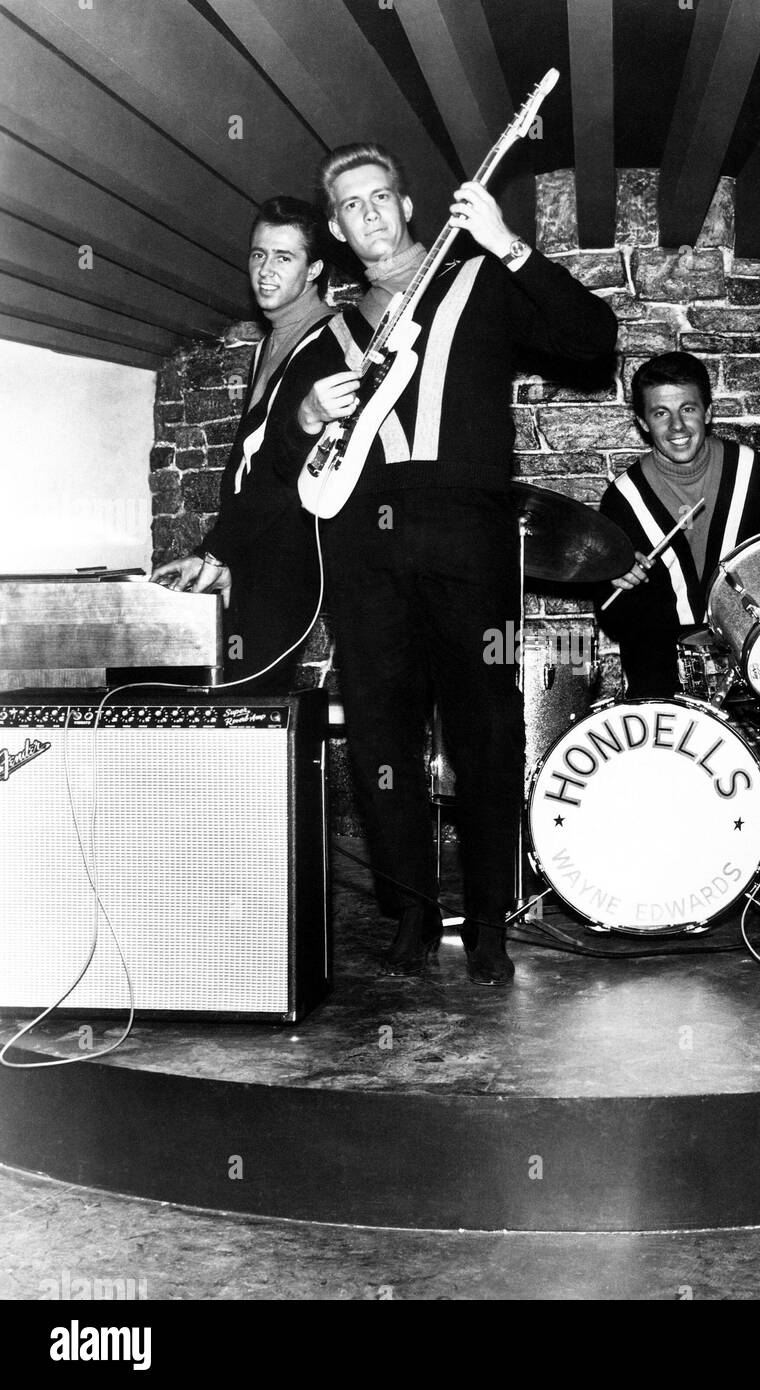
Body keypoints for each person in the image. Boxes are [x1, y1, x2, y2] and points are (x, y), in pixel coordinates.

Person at [265, 143, 617, 984]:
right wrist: (309, 412)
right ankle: (410, 913)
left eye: (379, 196)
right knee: (379, 732)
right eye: (350, 207)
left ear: (408, 204)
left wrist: (509, 245)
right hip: (364, 551)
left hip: (470, 538)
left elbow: (592, 343)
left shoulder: (481, 281)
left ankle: (488, 921)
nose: (369, 214)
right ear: (341, 234)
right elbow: (283, 465)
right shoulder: (328, 331)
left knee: (487, 729)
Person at [152, 197, 332, 689]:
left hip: (291, 557)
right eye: (258, 255)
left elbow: (283, 469)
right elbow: (246, 462)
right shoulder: (267, 342)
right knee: (236, 705)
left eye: (284, 257)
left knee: (254, 707)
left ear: (314, 268)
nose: (265, 271)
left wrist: (215, 554)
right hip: (251, 552)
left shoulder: (327, 342)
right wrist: (223, 554)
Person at [597, 351, 760, 698]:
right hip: (659, 677)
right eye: (660, 413)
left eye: (688, 409)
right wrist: (615, 579)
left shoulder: (750, 472)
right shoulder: (623, 498)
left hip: (748, 666)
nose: (677, 427)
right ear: (642, 422)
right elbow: (611, 616)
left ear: (708, 412)